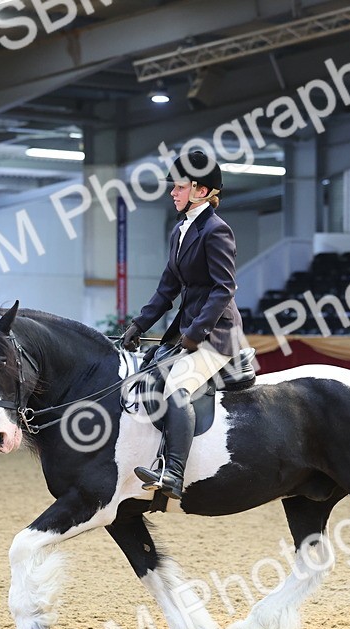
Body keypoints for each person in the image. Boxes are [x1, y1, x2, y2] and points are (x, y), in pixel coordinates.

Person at [119, 150, 244, 501]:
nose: (172, 193)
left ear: (201, 191)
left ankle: (172, 472)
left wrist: (196, 333)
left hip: (215, 335)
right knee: (145, 375)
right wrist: (138, 325)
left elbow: (224, 288)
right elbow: (167, 288)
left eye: (179, 187)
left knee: (177, 388)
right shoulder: (180, 231)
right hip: (186, 332)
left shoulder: (216, 231)